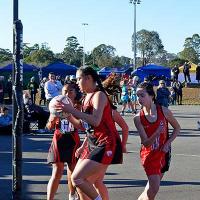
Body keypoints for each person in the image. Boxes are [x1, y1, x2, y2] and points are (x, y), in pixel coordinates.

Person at [54, 67, 123, 200]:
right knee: (80, 185)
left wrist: (72, 111)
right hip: (92, 142)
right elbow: (83, 126)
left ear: (89, 78)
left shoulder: (99, 96)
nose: (77, 82)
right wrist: (67, 115)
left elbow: (96, 121)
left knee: (77, 178)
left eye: (79, 79)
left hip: (106, 142)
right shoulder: (86, 98)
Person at [134, 82, 180, 200]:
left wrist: (167, 143)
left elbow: (177, 128)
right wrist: (157, 133)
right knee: (153, 188)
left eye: (142, 95)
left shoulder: (164, 111)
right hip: (149, 155)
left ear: (151, 96)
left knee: (150, 190)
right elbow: (146, 143)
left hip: (164, 153)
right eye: (137, 95)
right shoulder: (138, 118)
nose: (139, 99)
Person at [47, 83, 82, 200]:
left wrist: (71, 115)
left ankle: (72, 195)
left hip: (73, 140)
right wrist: (53, 119)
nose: (67, 94)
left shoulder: (79, 106)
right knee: (57, 171)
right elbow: (49, 126)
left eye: (70, 91)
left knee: (73, 171)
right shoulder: (56, 105)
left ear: (75, 92)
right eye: (65, 91)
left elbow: (83, 126)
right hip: (59, 139)